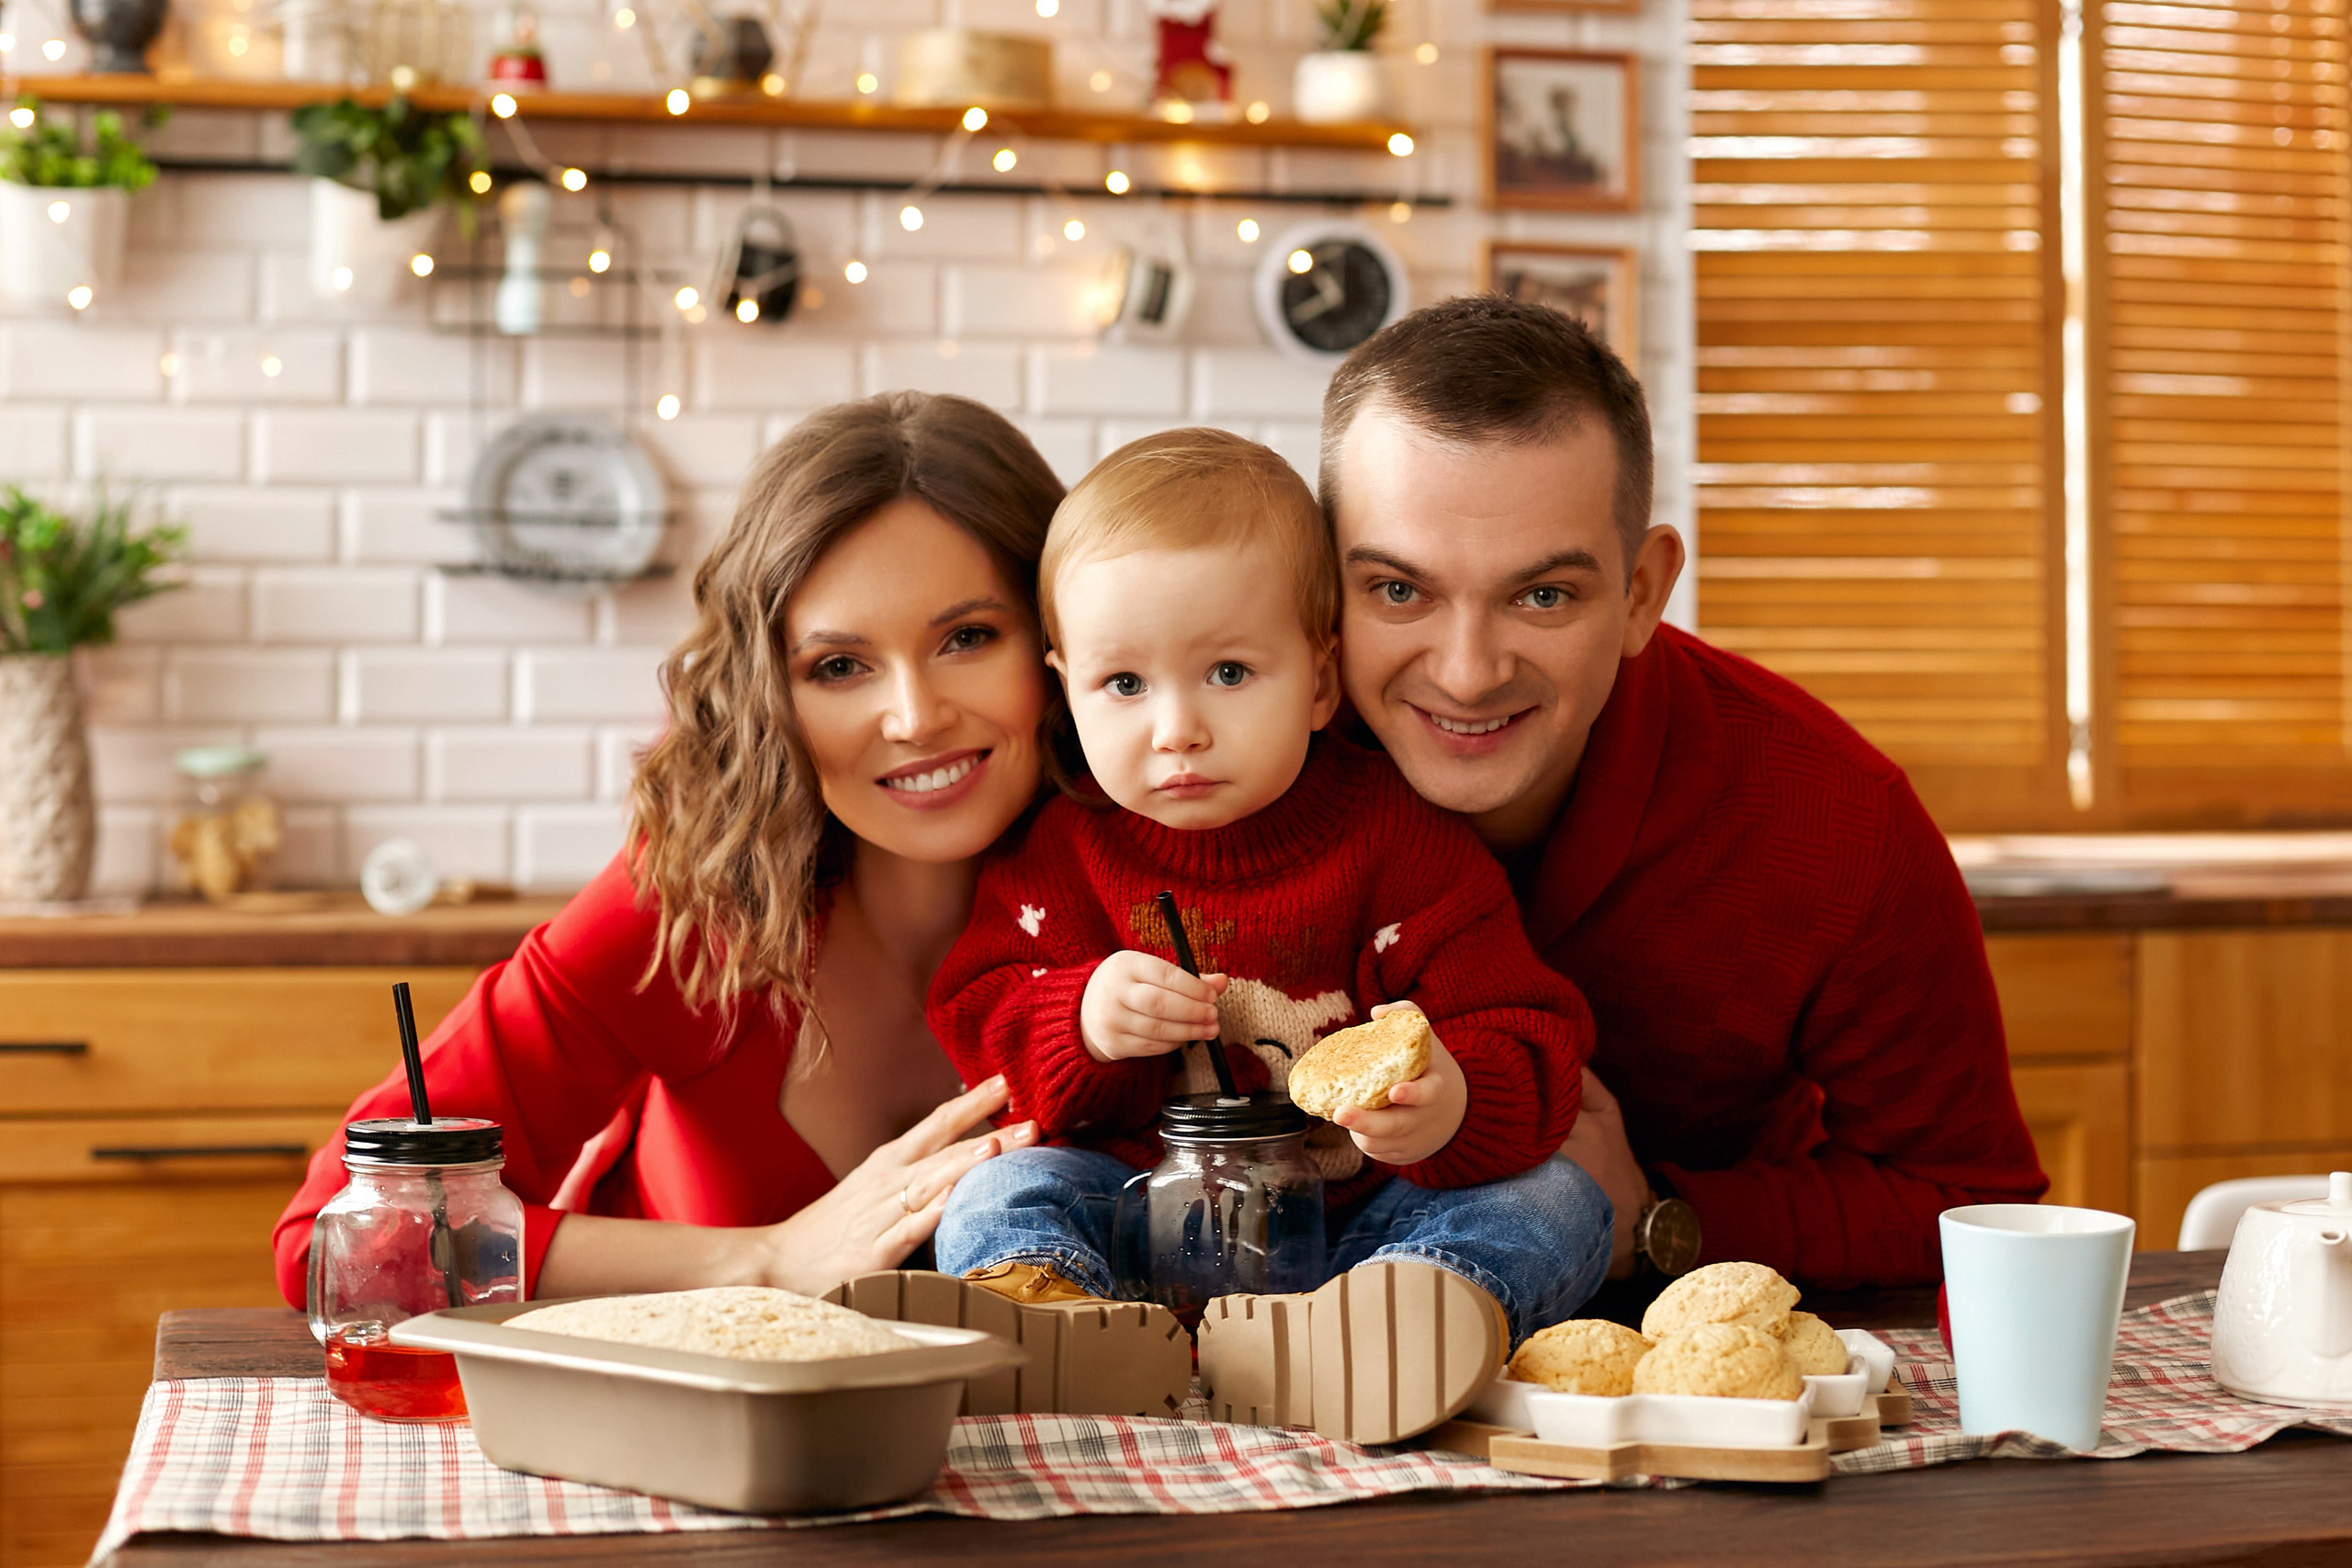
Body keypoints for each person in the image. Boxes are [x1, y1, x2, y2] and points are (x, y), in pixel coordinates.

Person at [274, 392, 1077, 1321]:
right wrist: (766, 1260)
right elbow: (335, 1239)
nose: (914, 716)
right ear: (765, 689)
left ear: (1062, 641)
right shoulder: (689, 908)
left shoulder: (1175, 893)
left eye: (967, 638)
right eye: (838, 667)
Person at [1321, 296, 2048, 1291]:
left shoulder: (1836, 820)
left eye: (1543, 596)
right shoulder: (1223, 768)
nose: (1467, 672)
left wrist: (1665, 1220)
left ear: (1640, 593)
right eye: (1399, 591)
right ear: (1326, 587)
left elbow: (1975, 1200)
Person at [923, 429, 1611, 1443]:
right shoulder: (1060, 856)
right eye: (1124, 685)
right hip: (1139, 1227)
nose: (1176, 729)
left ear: (1321, 680)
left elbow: (1523, 1023)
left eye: (1230, 673)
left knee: (1560, 1198)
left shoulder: (1401, 843)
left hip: (1367, 1231)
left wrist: (1453, 1101)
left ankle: (1401, 1324)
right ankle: (1052, 1324)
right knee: (998, 1188)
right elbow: (979, 1022)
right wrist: (1080, 1020)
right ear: (1064, 684)